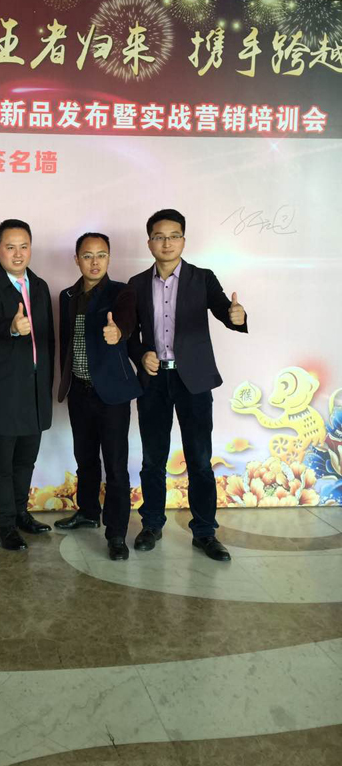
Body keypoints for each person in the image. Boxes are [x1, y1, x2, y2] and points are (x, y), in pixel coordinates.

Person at [128, 209, 247, 561]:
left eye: (174, 236)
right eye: (159, 237)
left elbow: (225, 310)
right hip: (153, 381)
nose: (167, 243)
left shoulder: (202, 278)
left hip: (192, 380)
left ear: (183, 239)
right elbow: (128, 335)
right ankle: (152, 524)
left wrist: (236, 316)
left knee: (199, 459)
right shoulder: (136, 284)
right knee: (153, 459)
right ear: (149, 242)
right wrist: (141, 354)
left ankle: (205, 532)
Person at [55, 233, 141, 560]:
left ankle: (116, 533)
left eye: (101, 255)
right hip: (79, 390)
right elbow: (65, 342)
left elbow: (127, 320)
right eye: (88, 255)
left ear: (109, 258)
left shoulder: (121, 292)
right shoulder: (67, 296)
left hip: (112, 394)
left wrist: (118, 331)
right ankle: (88, 512)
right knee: (86, 459)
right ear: (77, 259)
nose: (95, 262)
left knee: (116, 465)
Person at [0, 219, 54, 550]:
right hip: (7, 389)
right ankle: (5, 524)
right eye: (10, 247)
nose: (18, 253)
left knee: (26, 458)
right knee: (2, 462)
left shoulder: (40, 286)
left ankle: (21, 513)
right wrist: (11, 327)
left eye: (24, 246)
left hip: (36, 388)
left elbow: (49, 339)